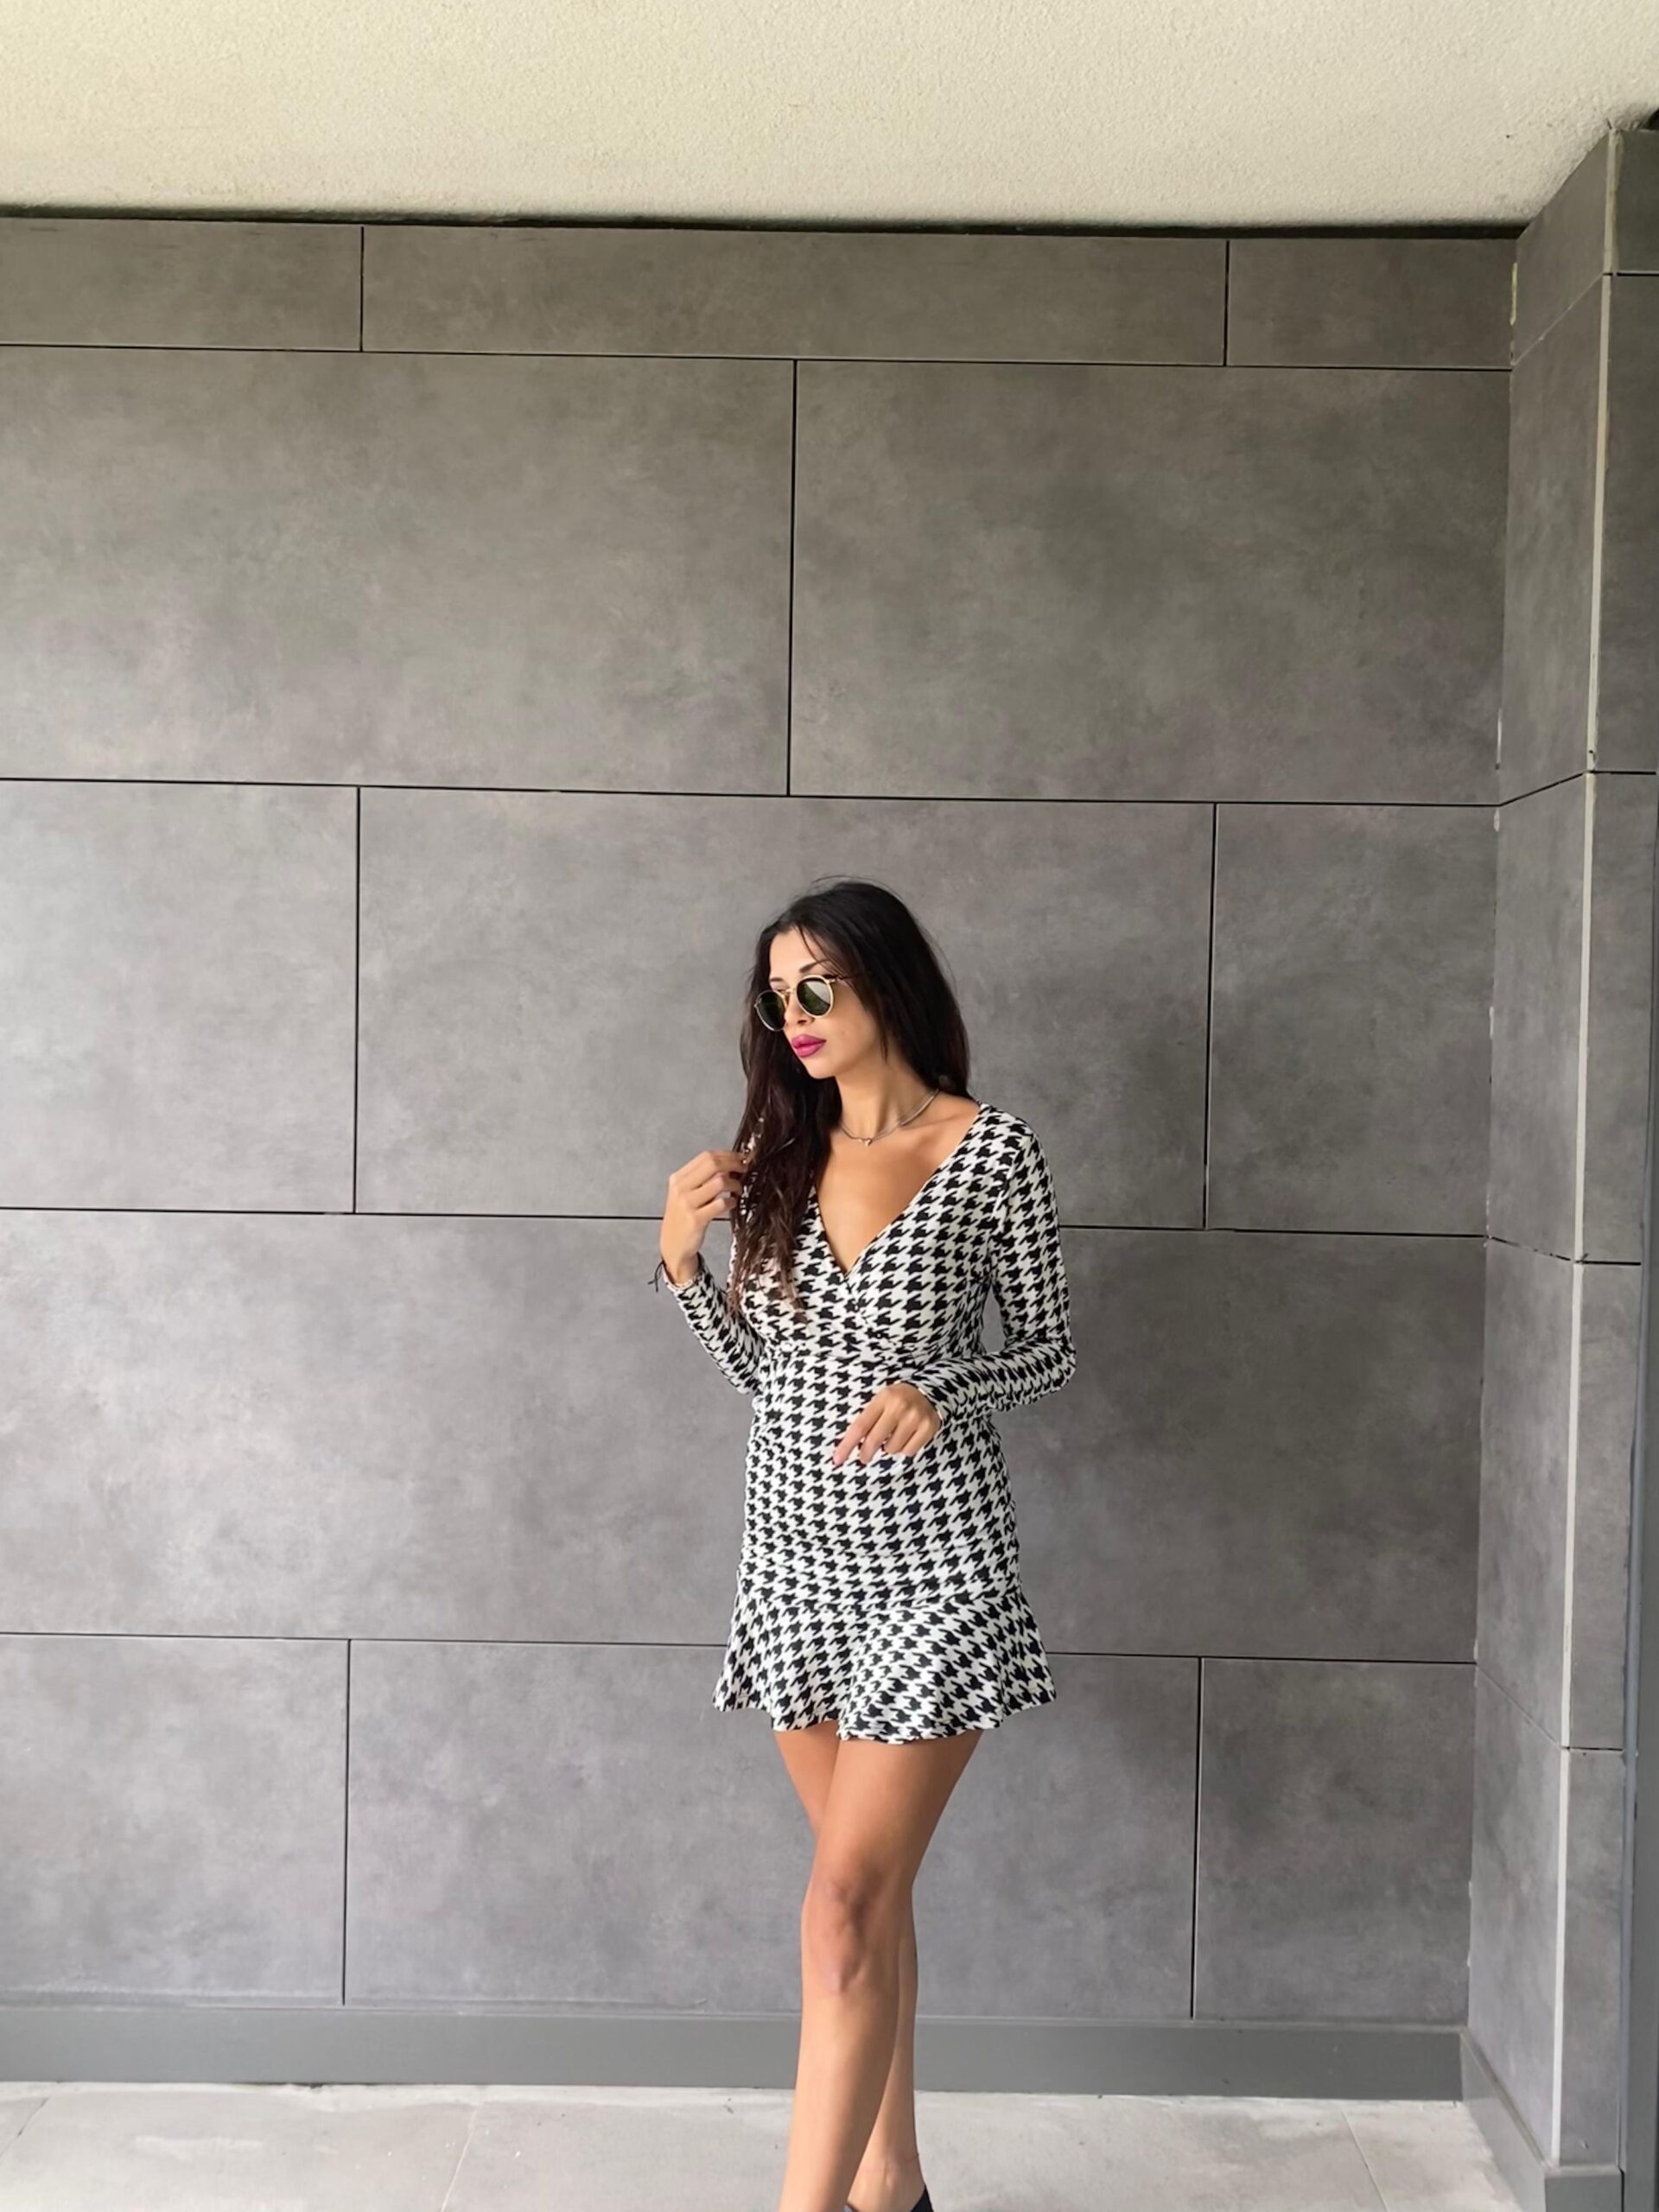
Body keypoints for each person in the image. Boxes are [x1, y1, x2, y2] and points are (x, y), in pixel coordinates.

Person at [652, 877, 1077, 2212]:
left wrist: (944, 1381)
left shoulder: (992, 1152)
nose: (796, 1015)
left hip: (936, 1572)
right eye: (778, 996)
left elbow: (1050, 1349)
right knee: (864, 1903)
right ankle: (890, 2181)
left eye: (818, 985)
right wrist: (682, 1268)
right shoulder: (777, 1159)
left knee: (840, 1913)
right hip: (792, 1569)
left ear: (885, 982)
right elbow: (771, 1380)